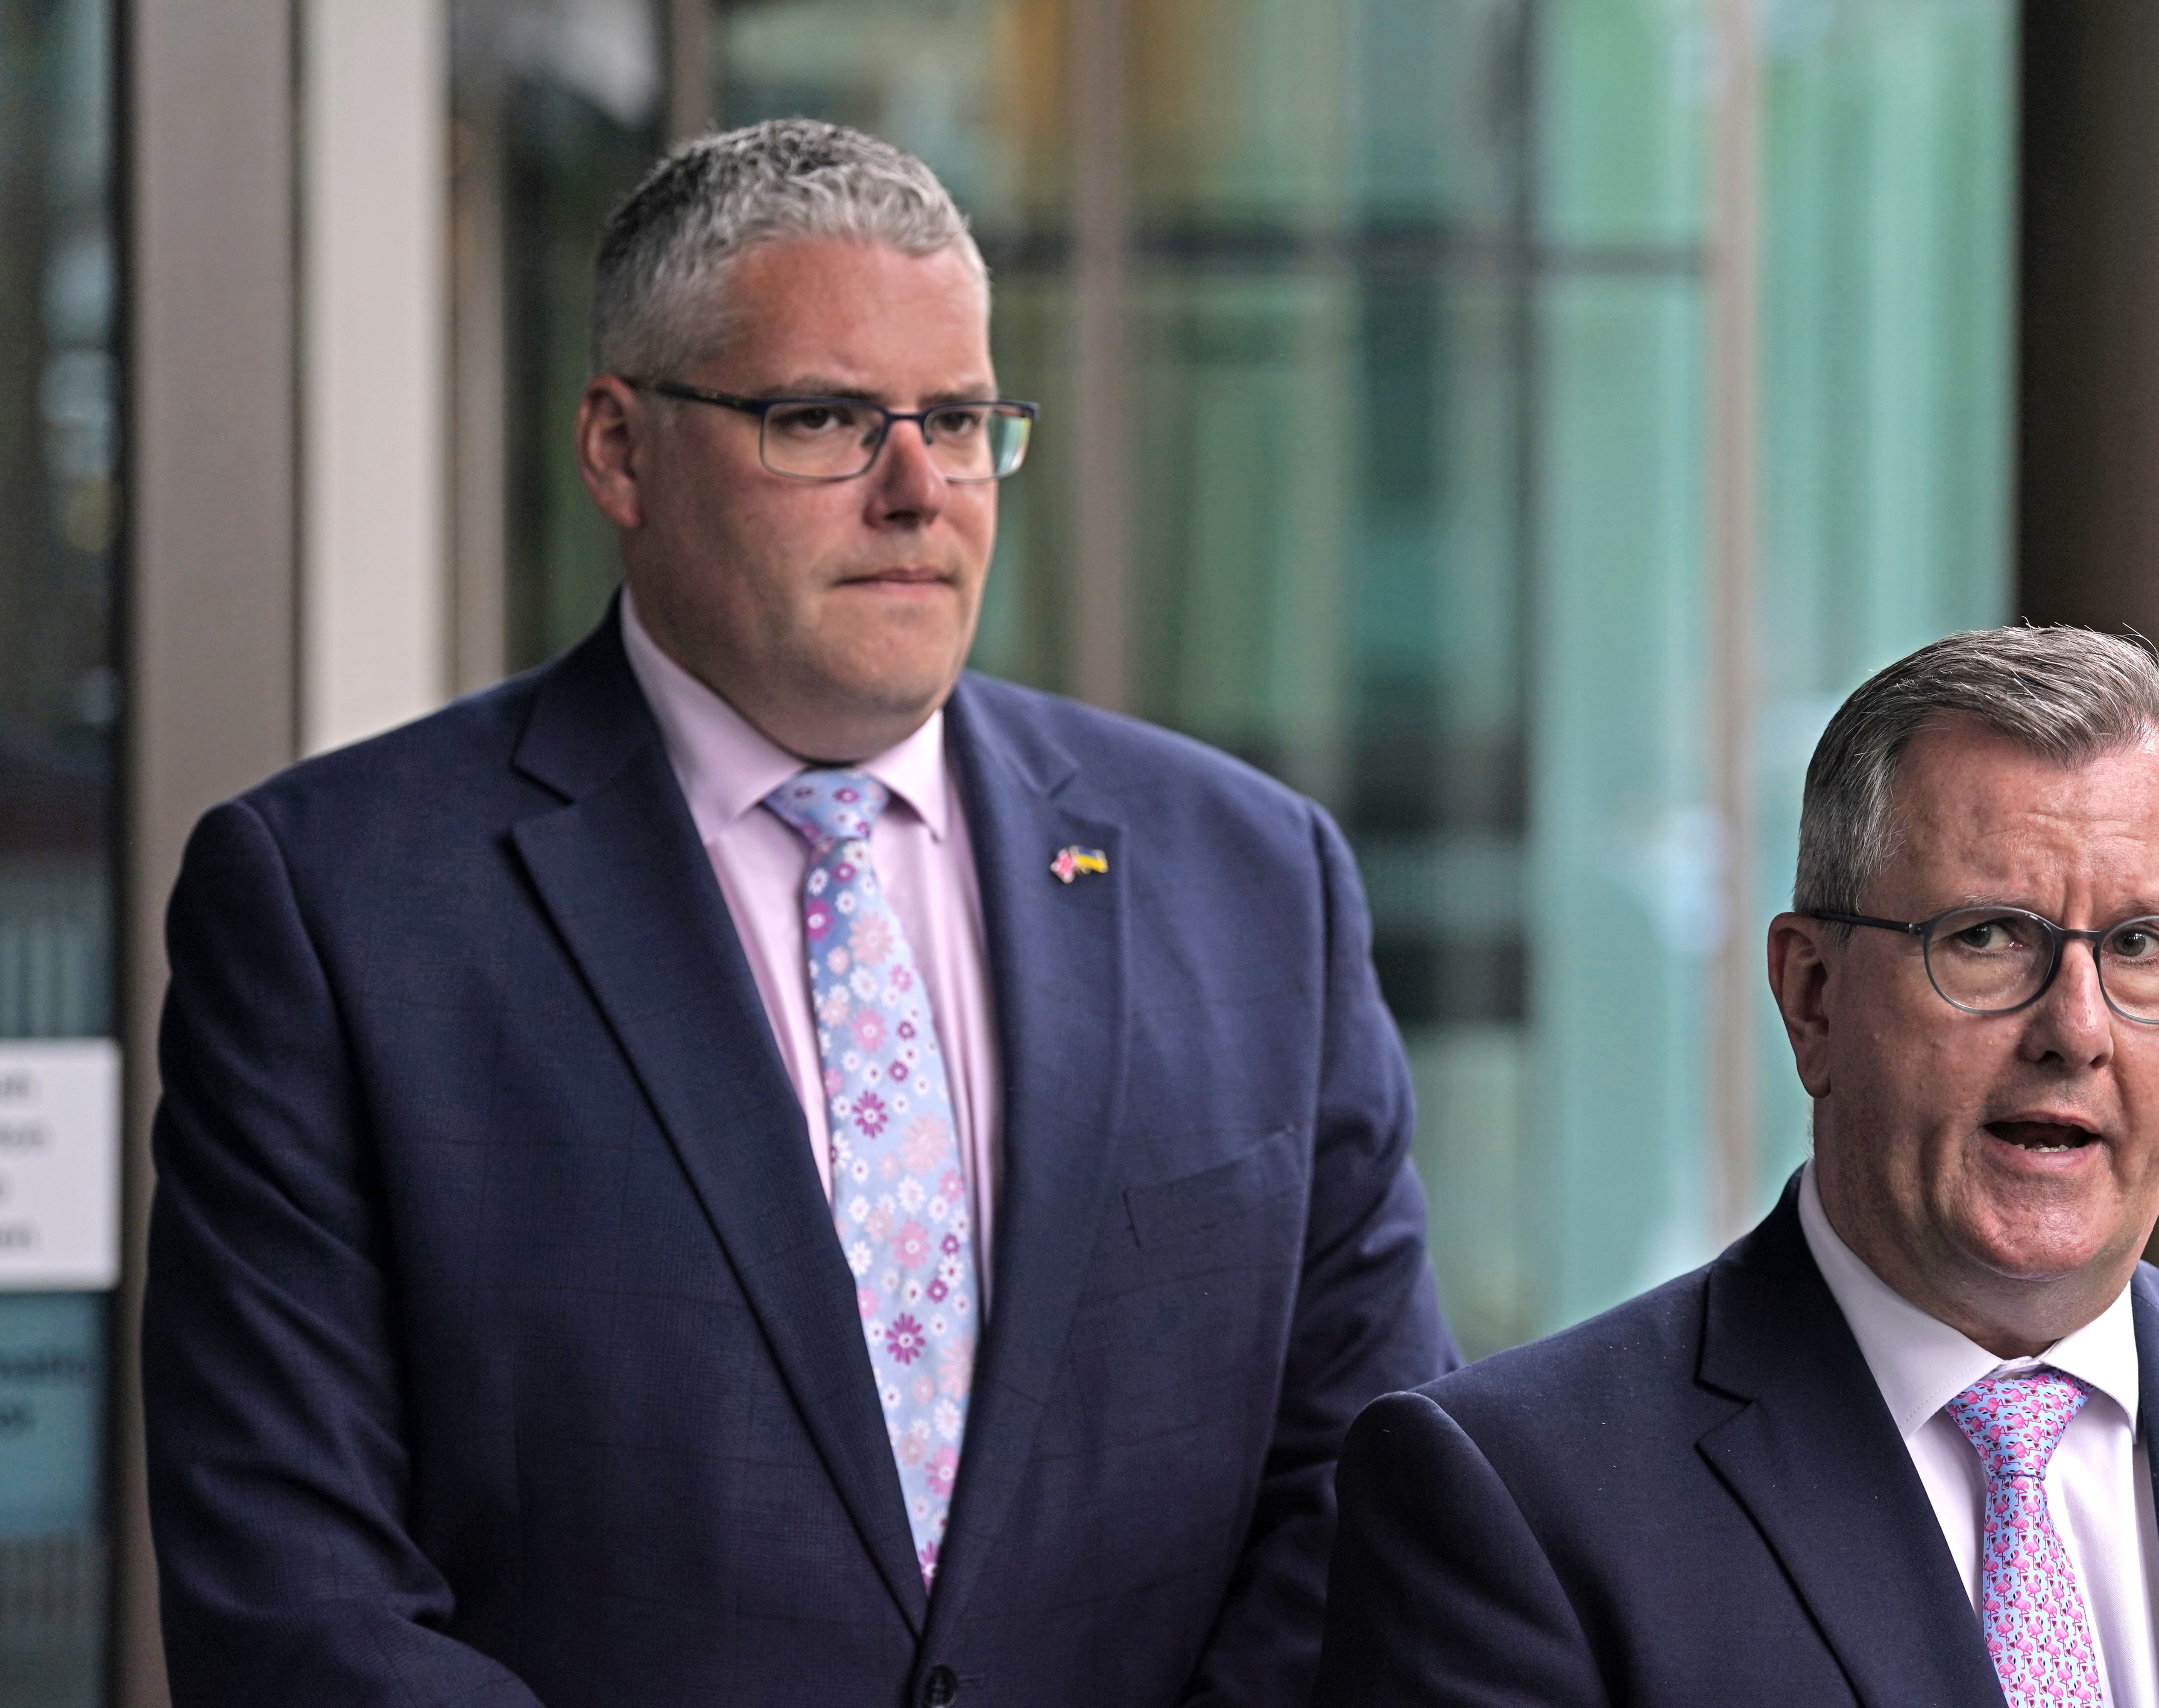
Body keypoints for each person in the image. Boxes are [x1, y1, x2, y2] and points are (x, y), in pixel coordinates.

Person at [143, 119, 1456, 1708]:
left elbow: (1366, 1492)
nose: (918, 491)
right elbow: (297, 1600)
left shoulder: (1253, 882)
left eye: (961, 421)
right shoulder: (337, 910)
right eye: (824, 419)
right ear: (620, 450)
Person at [1315, 626, 2159, 1707]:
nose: (2075, 1028)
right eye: (1987, 939)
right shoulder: (1516, 1500)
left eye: (2141, 947)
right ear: (1811, 995)